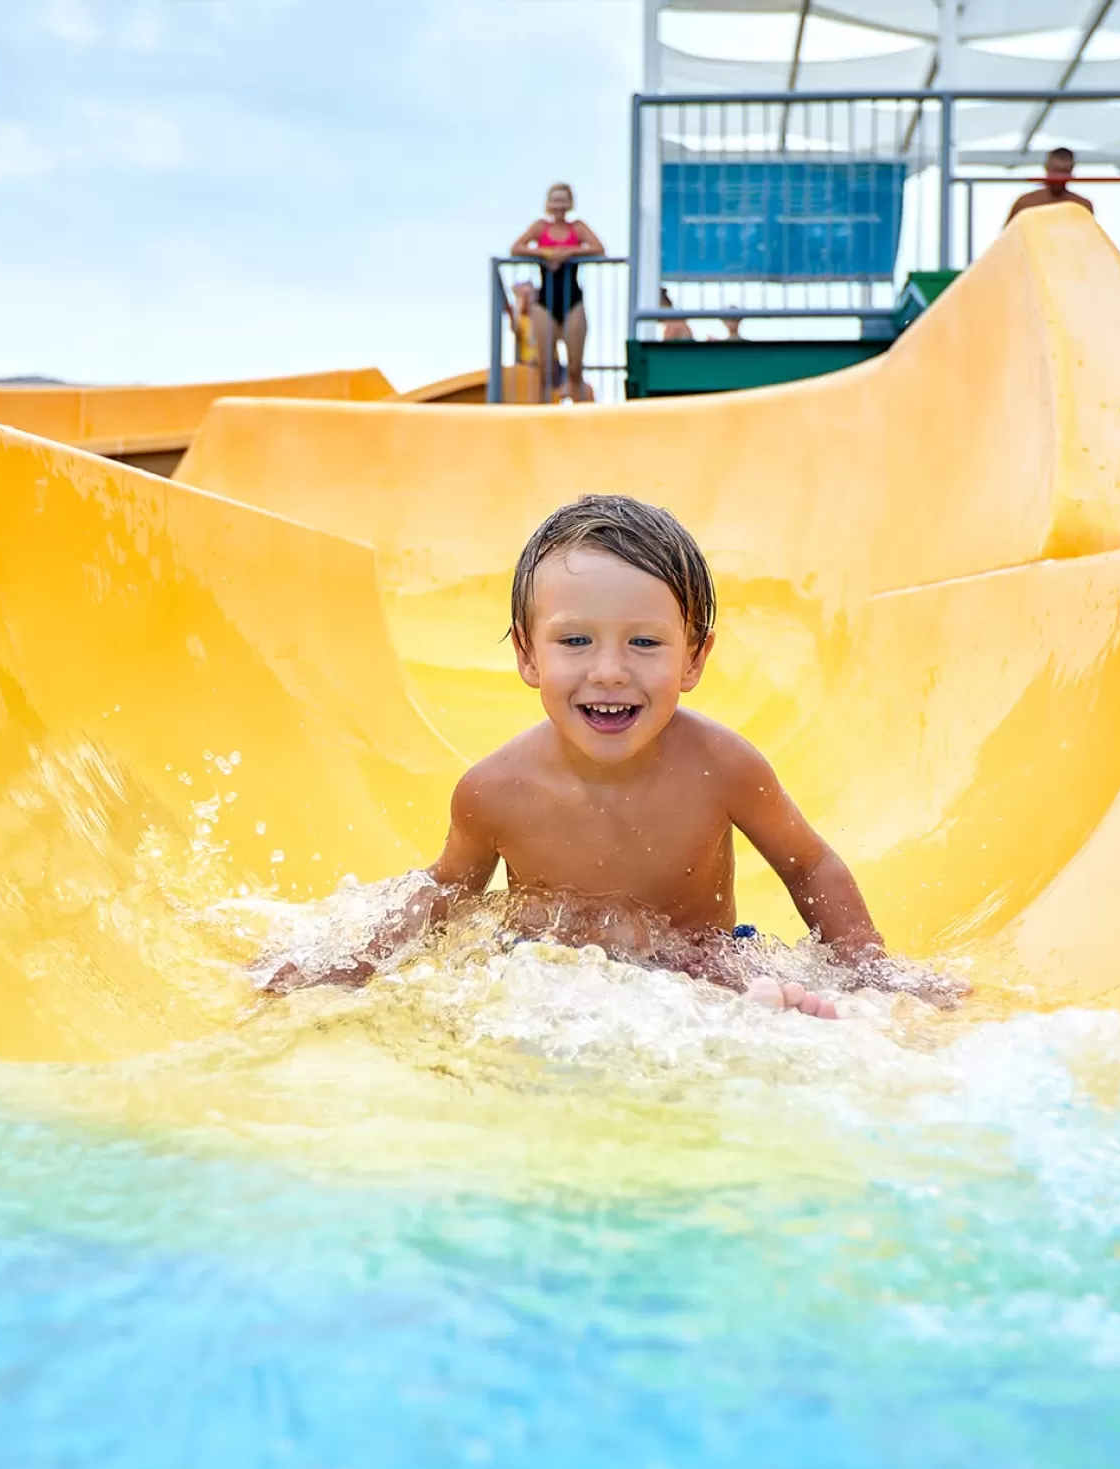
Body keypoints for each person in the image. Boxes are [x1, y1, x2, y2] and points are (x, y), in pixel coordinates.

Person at [266, 496, 888, 1019]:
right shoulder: (495, 791)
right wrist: (345, 963)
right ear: (528, 655)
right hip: (549, 976)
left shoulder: (722, 766)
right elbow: (446, 893)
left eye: (645, 642)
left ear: (694, 657)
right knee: (500, 1004)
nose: (609, 672)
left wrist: (870, 966)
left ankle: (758, 1011)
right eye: (574, 641)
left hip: (696, 966)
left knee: (723, 985)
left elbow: (808, 866)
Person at [511, 183, 604, 403]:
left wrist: (568, 252)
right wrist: (545, 253)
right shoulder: (540, 227)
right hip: (546, 302)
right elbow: (516, 247)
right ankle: (543, 413)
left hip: (572, 300)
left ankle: (581, 412)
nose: (559, 204)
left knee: (574, 367)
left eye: (563, 199)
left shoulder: (577, 228)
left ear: (569, 203)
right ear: (548, 204)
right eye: (555, 199)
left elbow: (598, 248)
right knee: (546, 368)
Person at [1005, 148, 1093, 225]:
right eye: (1056, 171)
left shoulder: (1082, 206)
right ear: (1047, 168)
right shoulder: (1025, 203)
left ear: (1071, 172)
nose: (1059, 177)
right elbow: (1008, 238)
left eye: (1064, 171)